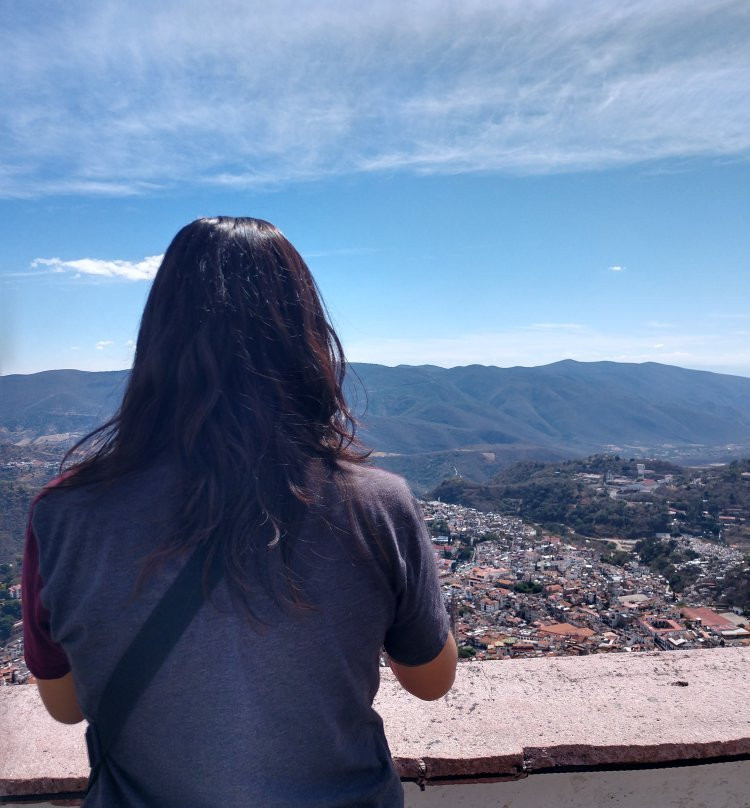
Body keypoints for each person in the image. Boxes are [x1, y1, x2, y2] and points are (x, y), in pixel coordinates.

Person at [22, 217, 457, 807]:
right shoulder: (377, 505)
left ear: (156, 339)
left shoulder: (63, 516)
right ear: (307, 339)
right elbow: (432, 682)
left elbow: (66, 707)